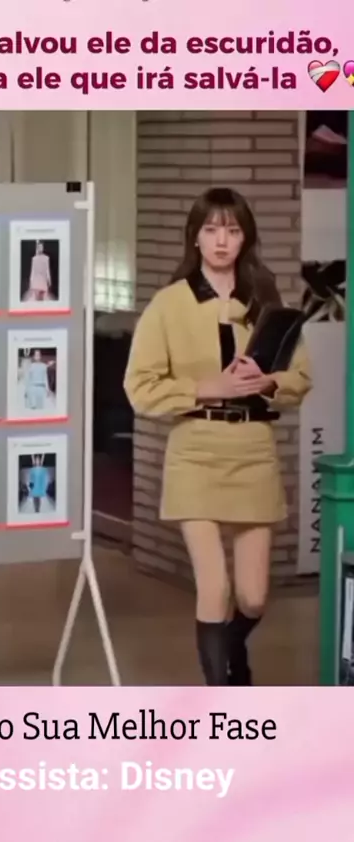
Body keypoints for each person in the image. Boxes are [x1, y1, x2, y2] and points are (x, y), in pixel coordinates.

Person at [123, 187, 312, 687]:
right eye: (211, 230)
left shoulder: (266, 301)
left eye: (231, 230)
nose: (221, 240)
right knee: (215, 587)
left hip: (253, 452)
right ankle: (222, 703)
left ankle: (232, 648)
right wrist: (208, 388)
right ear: (195, 237)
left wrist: (267, 382)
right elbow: (140, 388)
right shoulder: (169, 305)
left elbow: (300, 378)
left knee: (253, 597)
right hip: (195, 452)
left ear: (245, 237)